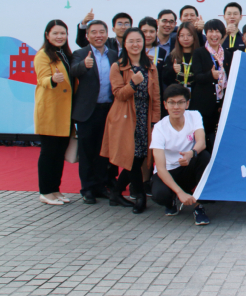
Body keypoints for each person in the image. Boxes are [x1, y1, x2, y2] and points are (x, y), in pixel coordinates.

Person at [101, 28, 161, 214]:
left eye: (138, 41)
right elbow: (118, 94)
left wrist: (155, 121)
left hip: (144, 117)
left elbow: (156, 96)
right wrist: (133, 83)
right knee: (132, 156)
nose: (135, 45)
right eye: (131, 41)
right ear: (124, 44)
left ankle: (116, 193)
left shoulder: (150, 66)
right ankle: (140, 196)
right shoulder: (118, 66)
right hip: (125, 118)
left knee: (141, 156)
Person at [70, 20, 119, 204]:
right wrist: (84, 65)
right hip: (87, 112)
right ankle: (87, 189)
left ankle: (100, 186)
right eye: (94, 32)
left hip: (108, 110)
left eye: (101, 32)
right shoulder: (80, 53)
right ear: (87, 35)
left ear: (107, 34)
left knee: (103, 152)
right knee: (87, 152)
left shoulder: (113, 54)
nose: (98, 35)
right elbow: (72, 71)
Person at [150, 84, 211, 225]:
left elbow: (201, 142)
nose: (176, 107)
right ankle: (171, 201)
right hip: (169, 171)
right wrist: (179, 193)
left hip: (188, 166)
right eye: (171, 102)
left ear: (187, 104)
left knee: (204, 156)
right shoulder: (159, 129)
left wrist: (191, 153)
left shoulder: (194, 115)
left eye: (180, 102)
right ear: (165, 105)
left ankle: (199, 207)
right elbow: (161, 168)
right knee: (160, 194)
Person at [34, 20, 74, 206]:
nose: (59, 37)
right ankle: (45, 191)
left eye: (63, 33)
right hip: (51, 111)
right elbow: (42, 79)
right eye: (55, 33)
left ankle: (55, 189)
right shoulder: (43, 54)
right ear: (47, 35)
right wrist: (53, 79)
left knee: (59, 154)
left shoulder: (65, 54)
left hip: (65, 112)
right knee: (48, 153)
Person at [193, 19, 228, 150]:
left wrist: (223, 103)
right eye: (210, 31)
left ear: (222, 34)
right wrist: (210, 75)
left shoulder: (227, 54)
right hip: (203, 104)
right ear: (205, 34)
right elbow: (197, 77)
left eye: (217, 31)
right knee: (204, 139)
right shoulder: (199, 52)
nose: (214, 35)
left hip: (220, 105)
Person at [162, 22, 200, 92]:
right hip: (177, 95)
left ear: (194, 36)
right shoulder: (172, 56)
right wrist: (173, 70)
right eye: (182, 35)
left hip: (196, 95)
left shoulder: (200, 55)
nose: (185, 39)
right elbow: (165, 80)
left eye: (189, 35)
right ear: (178, 37)